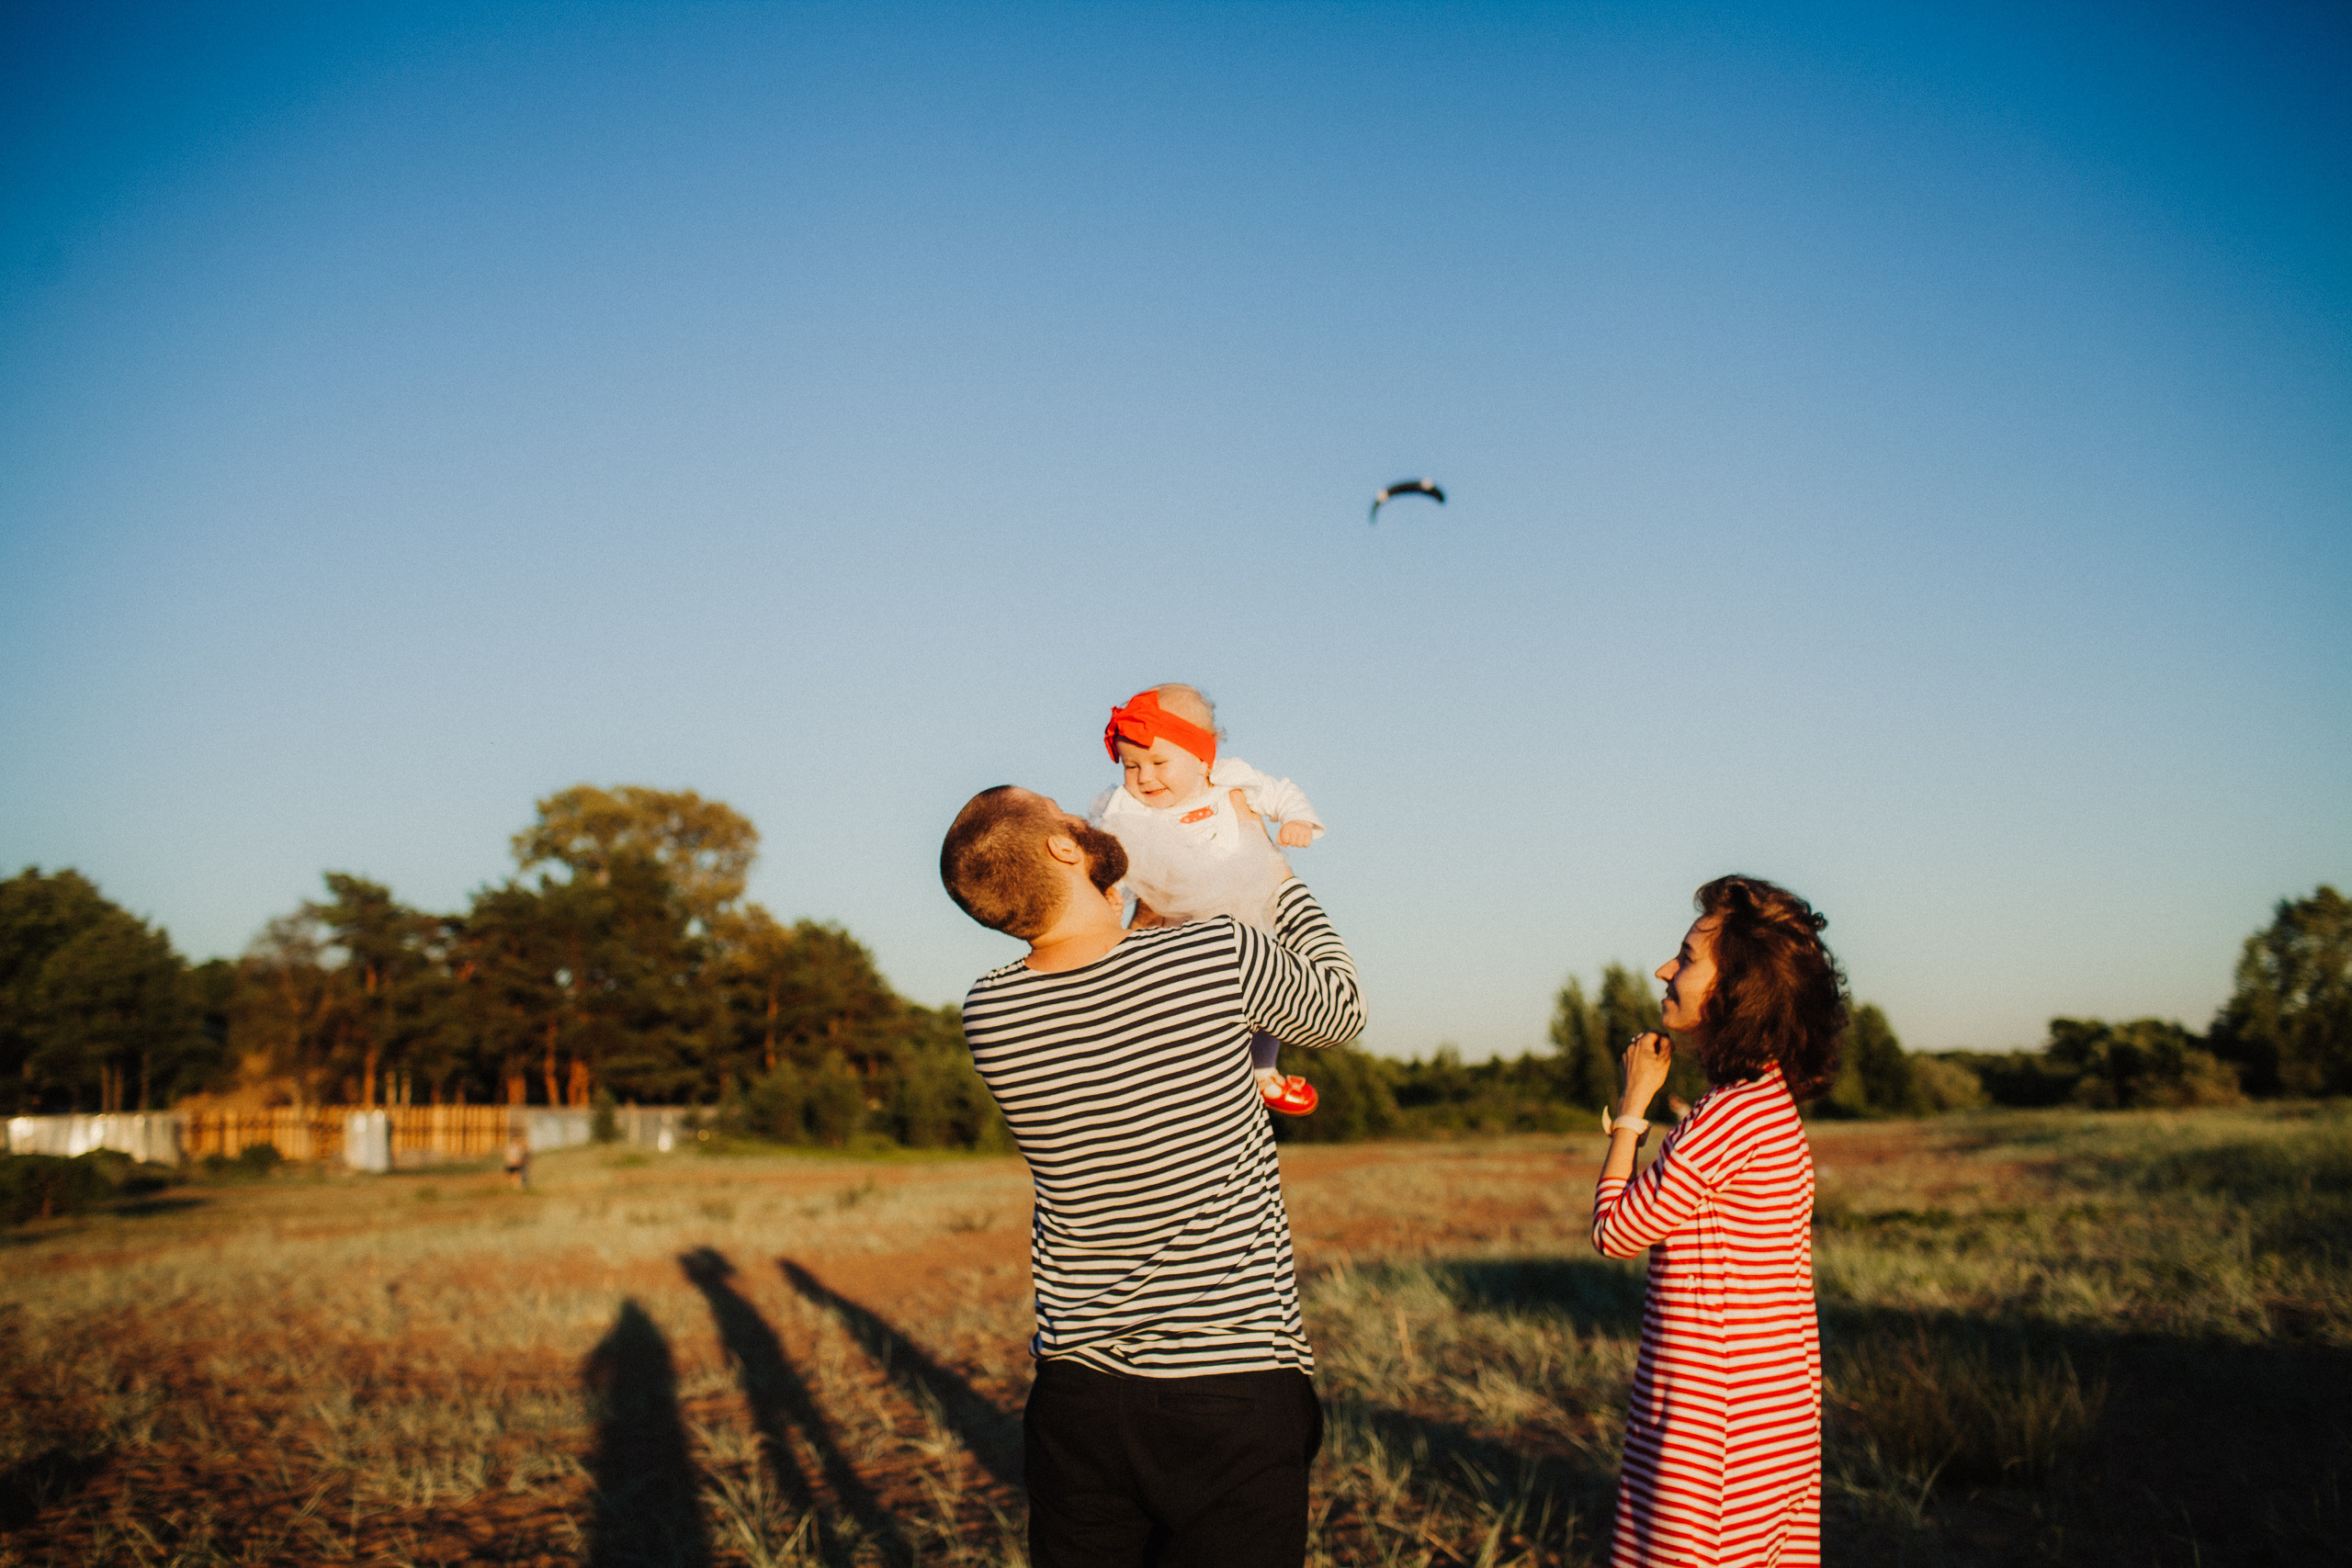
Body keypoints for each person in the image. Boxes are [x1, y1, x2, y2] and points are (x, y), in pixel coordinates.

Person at [941, 783, 1366, 1568]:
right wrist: (1269, 871)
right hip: (1230, 1383)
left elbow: (1113, 973)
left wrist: (1134, 905)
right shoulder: (1214, 952)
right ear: (1065, 849)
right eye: (1068, 813)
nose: (1088, 814)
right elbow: (1341, 1008)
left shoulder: (990, 1010)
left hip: (1078, 1400)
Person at [1590, 875, 1847, 1568]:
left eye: (1686, 958)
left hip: (1711, 1416)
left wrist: (1633, 1105)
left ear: (1739, 988)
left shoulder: (1726, 1114)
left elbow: (1614, 1229)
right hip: (1773, 1402)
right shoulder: (1768, 1102)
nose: (1664, 970)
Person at [1090, 683, 1327, 1115]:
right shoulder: (1127, 806)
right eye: (1131, 765)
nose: (1144, 777)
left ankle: (1263, 1070)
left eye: (1160, 762)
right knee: (1162, 994)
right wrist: (1109, 889)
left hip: (1242, 911)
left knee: (1267, 991)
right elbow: (1112, 851)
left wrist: (1298, 820)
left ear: (1202, 759)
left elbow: (1282, 792)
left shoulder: (1230, 780)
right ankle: (1158, 1069)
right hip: (1171, 921)